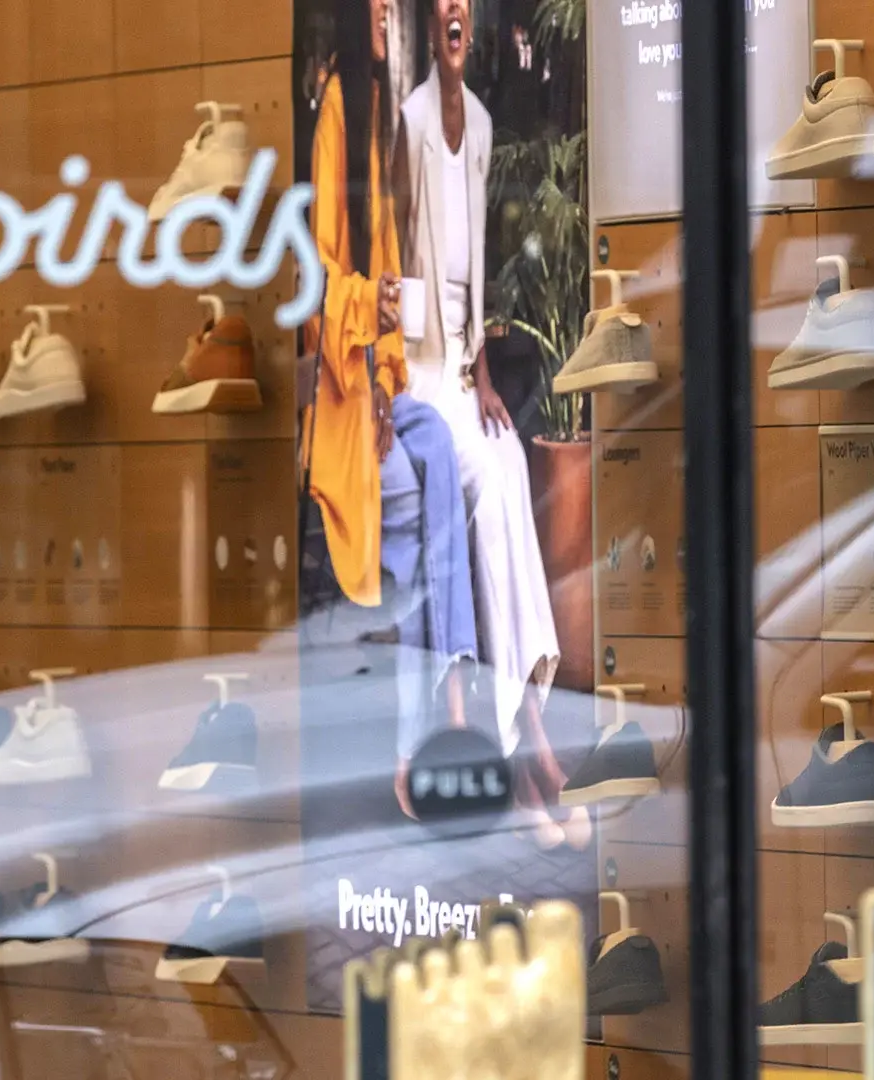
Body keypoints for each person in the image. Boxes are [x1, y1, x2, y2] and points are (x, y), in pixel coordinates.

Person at [396, 0, 571, 843]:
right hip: (416, 373)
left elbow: (480, 269)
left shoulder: (486, 122)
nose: (456, 11)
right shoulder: (407, 122)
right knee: (486, 493)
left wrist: (485, 375)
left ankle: (528, 718)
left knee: (506, 464)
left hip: (463, 373)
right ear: (432, 24)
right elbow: (394, 255)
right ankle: (518, 750)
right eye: (443, 2)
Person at [305, 0, 477, 815]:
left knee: (436, 442)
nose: (384, 13)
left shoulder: (374, 110)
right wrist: (369, 307)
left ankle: (454, 691)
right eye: (372, 4)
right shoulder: (338, 109)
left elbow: (388, 273)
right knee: (407, 503)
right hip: (338, 393)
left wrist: (386, 385)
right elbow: (317, 282)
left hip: (376, 382)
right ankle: (419, 741)